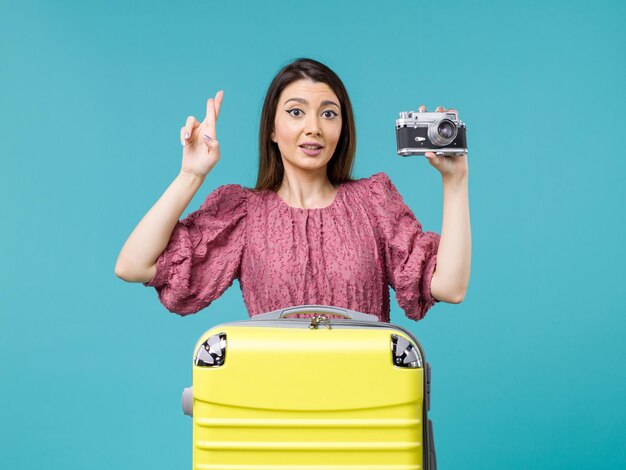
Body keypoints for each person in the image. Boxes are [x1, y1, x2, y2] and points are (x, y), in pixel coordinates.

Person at [114, 58, 471, 322]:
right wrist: (190, 174)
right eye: (296, 112)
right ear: (271, 128)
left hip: (367, 406)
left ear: (343, 128)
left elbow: (449, 287)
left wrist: (455, 181)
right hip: (274, 407)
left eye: (329, 114)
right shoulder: (243, 212)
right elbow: (133, 265)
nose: (313, 127)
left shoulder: (374, 201)